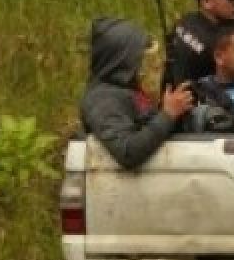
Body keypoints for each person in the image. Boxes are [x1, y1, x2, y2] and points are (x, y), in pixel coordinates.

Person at [80, 17, 194, 169]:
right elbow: (128, 153)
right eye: (141, 58)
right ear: (122, 60)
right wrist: (168, 114)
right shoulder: (103, 100)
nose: (148, 64)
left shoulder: (126, 90)